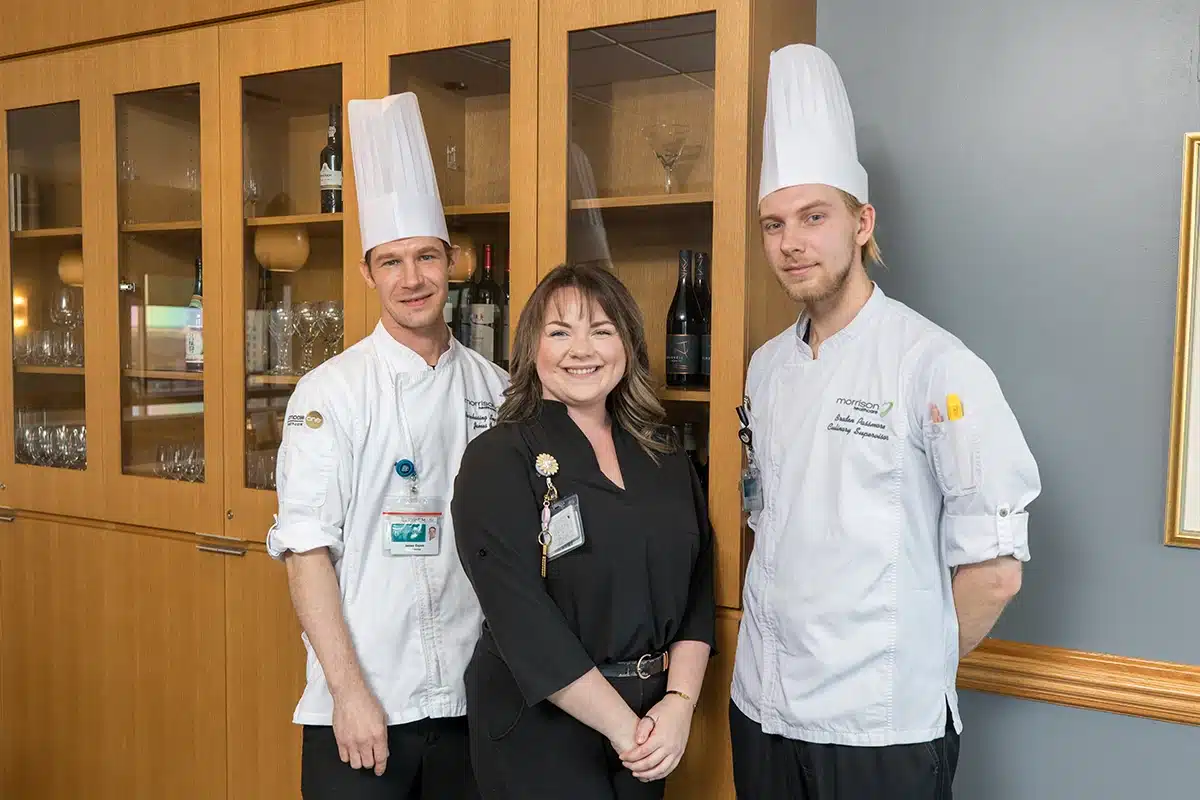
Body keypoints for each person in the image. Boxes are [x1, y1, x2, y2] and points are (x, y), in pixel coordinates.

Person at [728, 43, 1042, 800]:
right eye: (774, 225)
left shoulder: (935, 366)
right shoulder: (767, 367)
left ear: (861, 222)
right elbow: (765, 516)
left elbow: (995, 574)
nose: (791, 243)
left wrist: (904, 671)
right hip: (762, 710)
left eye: (813, 217)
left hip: (878, 732)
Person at [266, 91, 508, 800]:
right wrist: (349, 693)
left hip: (471, 705)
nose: (412, 279)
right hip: (366, 711)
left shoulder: (497, 388)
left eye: (426, 257)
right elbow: (306, 552)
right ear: (368, 272)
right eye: (392, 261)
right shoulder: (329, 393)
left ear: (452, 262)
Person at [450, 263, 716, 799]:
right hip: (540, 727)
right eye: (559, 332)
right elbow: (522, 619)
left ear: (627, 344)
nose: (582, 349)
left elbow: (698, 588)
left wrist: (679, 704)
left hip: (653, 722)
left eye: (601, 330)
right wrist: (625, 730)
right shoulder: (498, 458)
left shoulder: (662, 453)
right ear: (531, 348)